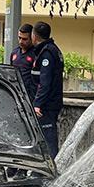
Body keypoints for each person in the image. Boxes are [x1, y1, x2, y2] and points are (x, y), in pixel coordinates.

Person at [30, 21, 64, 158]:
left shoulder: (47, 53)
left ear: (34, 36)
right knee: (43, 137)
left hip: (47, 105)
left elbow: (45, 82)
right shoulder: (50, 49)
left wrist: (38, 104)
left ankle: (51, 170)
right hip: (50, 102)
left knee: (48, 138)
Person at [9, 23, 38, 102]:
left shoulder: (36, 54)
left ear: (32, 37)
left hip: (30, 96)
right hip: (16, 94)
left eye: (25, 39)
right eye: (19, 38)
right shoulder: (14, 53)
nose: (21, 41)